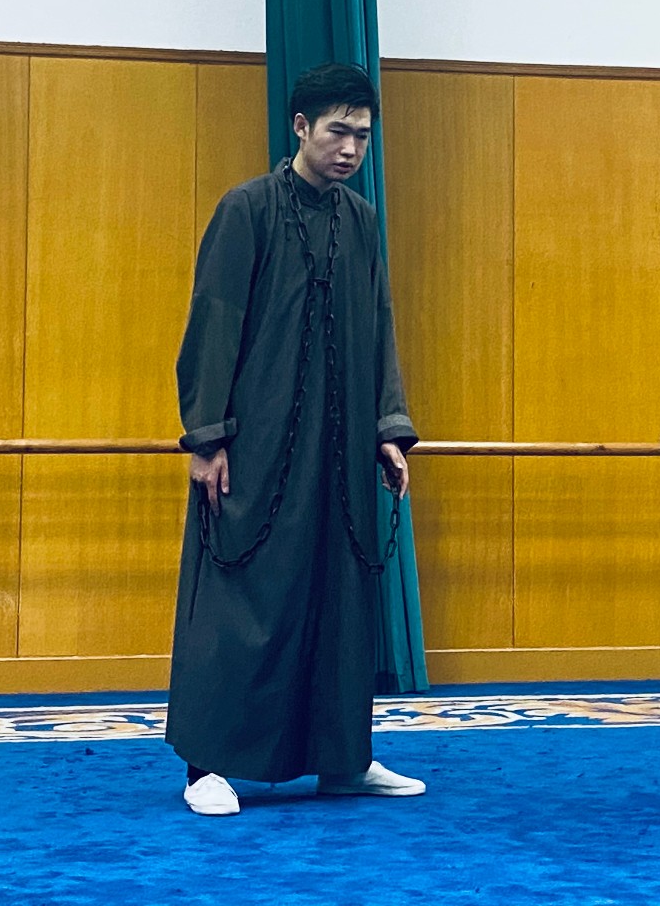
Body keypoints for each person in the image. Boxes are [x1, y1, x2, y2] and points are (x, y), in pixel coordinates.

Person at [165, 62, 423, 816]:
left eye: (363, 137)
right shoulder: (245, 209)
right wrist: (207, 438)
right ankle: (206, 767)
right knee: (239, 599)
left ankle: (344, 760)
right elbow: (213, 323)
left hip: (339, 449)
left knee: (339, 603)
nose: (350, 149)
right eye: (339, 131)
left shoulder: (361, 220)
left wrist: (388, 429)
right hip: (255, 445)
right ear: (301, 127)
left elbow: (379, 325)